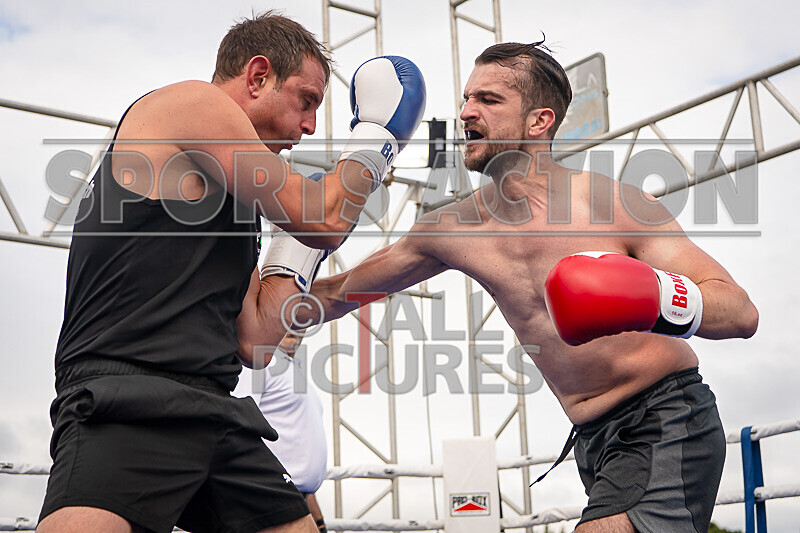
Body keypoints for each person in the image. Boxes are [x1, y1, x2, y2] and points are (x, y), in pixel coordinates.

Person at [291, 42, 759, 533]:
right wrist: (248, 303)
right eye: (466, 100)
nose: (467, 113)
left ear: (540, 122)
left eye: (488, 101)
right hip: (591, 437)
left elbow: (740, 312)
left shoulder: (613, 204)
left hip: (666, 418)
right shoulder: (451, 230)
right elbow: (336, 293)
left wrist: (650, 296)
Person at [38, 11, 424, 533]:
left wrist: (299, 253)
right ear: (258, 76)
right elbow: (326, 217)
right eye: (305, 101)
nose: (309, 126)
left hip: (214, 410)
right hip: (127, 397)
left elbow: (257, 339)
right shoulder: (192, 105)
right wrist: (375, 141)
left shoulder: (234, 205)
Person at [234, 330, 329, 533]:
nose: (294, 323)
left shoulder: (289, 368)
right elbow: (236, 428)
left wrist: (318, 520)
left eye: (300, 314)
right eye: (286, 312)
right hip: (267, 500)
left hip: (290, 501)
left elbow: (298, 457)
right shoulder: (257, 362)